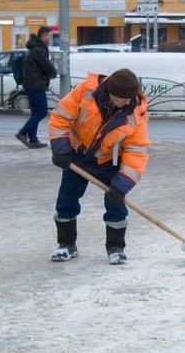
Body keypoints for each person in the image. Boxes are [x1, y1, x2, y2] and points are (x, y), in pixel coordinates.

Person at [48, 68, 150, 264]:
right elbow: (60, 117)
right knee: (66, 199)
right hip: (78, 156)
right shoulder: (85, 91)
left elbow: (137, 151)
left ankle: (116, 248)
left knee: (116, 204)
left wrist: (122, 184)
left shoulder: (136, 113)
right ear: (112, 93)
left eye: (130, 98)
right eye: (123, 98)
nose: (127, 102)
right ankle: (66, 245)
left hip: (109, 162)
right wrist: (60, 149)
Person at [15, 26, 57, 149]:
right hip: (36, 84)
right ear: (43, 36)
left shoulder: (33, 49)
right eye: (49, 36)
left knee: (35, 112)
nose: (50, 38)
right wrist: (53, 74)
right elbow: (46, 65)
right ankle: (22, 133)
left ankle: (33, 140)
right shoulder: (38, 50)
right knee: (42, 111)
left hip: (31, 84)